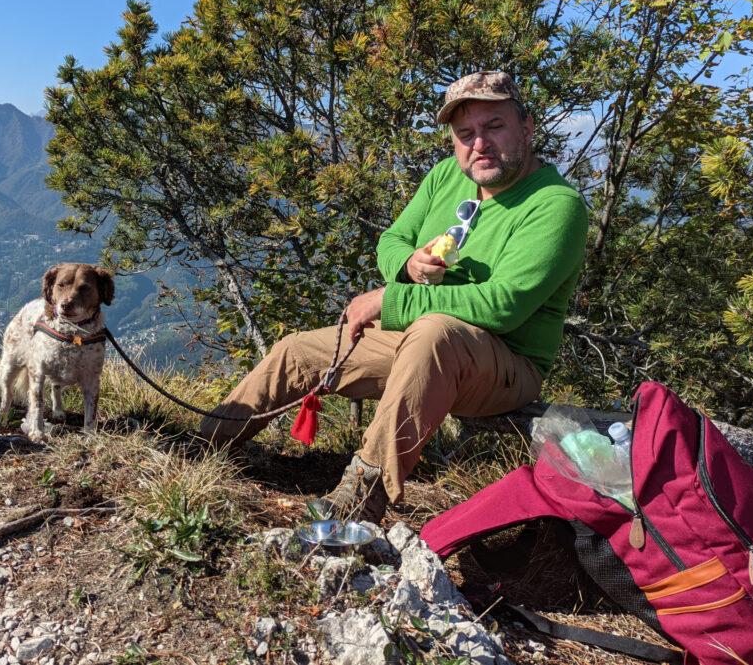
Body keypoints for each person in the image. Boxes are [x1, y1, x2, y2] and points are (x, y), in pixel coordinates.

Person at [200, 70, 589, 524]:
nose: (479, 143)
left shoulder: (555, 204)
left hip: (505, 365)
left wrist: (390, 300)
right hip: (421, 342)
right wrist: (406, 265)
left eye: (494, 126)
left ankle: (363, 491)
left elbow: (502, 307)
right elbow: (393, 239)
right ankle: (205, 446)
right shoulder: (447, 176)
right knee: (298, 352)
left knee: (434, 333)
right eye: (465, 134)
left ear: (526, 128)